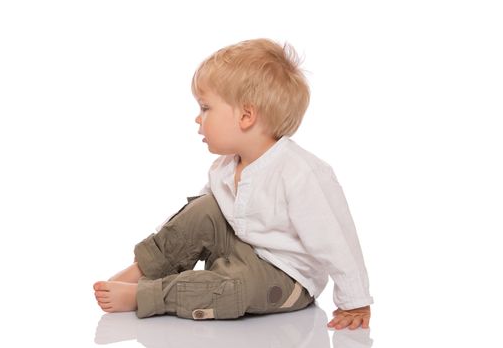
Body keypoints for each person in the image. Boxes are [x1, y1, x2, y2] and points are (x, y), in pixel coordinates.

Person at [93, 38, 373, 330]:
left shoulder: (300, 173)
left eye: (206, 108)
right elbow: (191, 223)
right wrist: (166, 247)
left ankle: (147, 295)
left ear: (246, 116)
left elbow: (336, 240)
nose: (197, 119)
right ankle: (144, 271)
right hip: (242, 250)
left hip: (284, 277)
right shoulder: (226, 165)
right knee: (204, 208)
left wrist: (355, 300)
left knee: (231, 287)